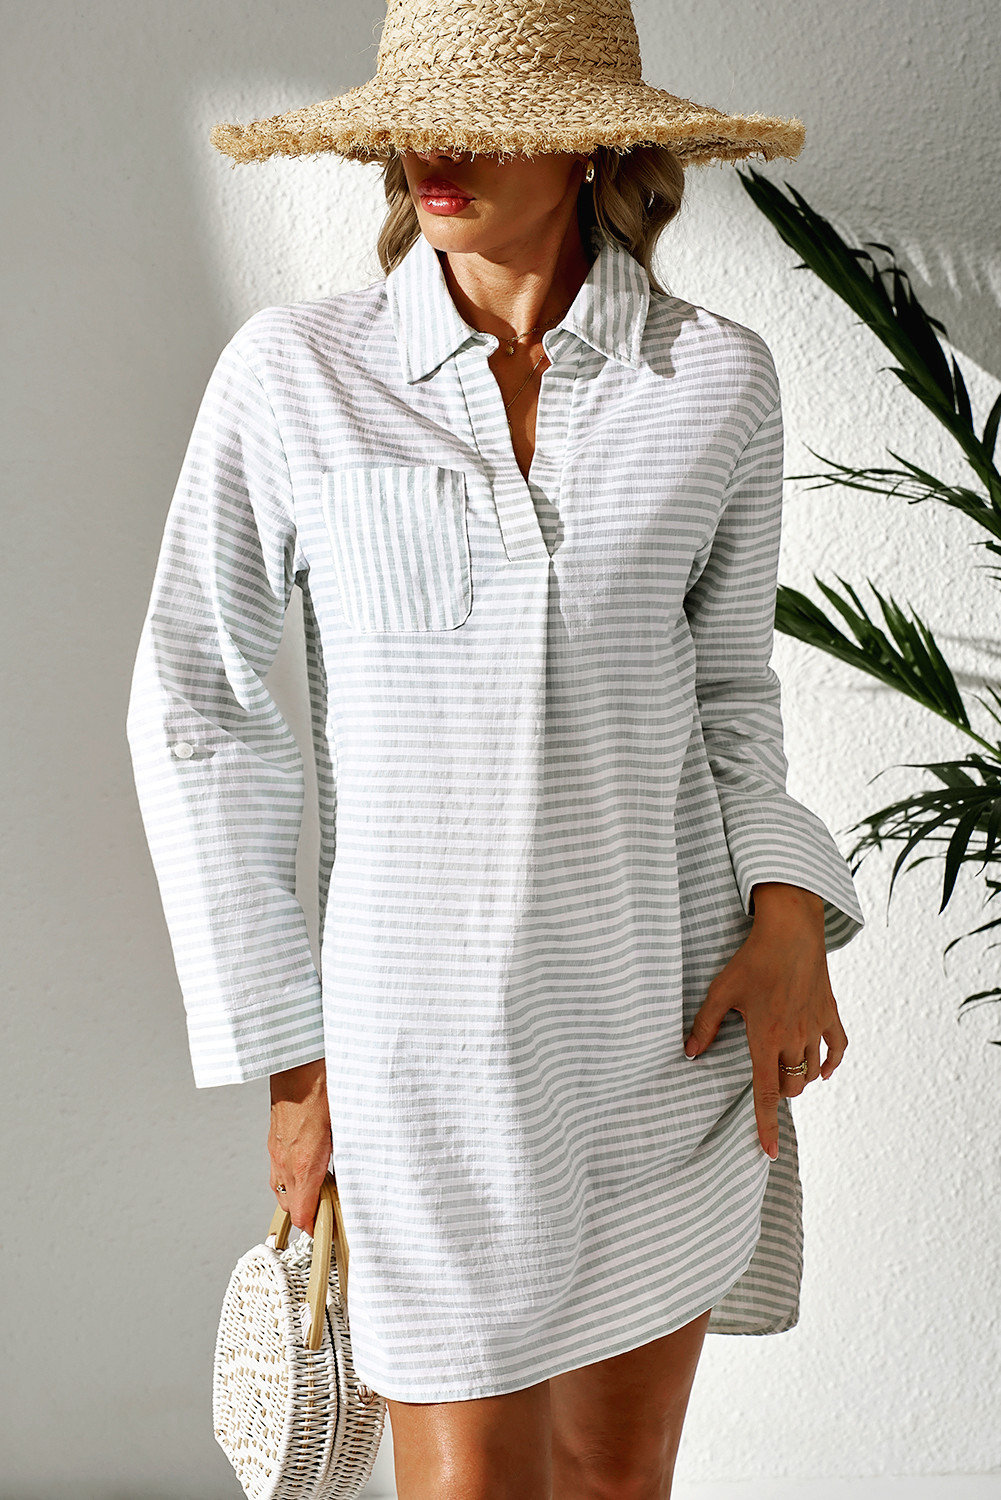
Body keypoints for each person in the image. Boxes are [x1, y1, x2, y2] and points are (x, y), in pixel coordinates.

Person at [126, 1, 866, 1495]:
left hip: (662, 1031)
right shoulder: (295, 375)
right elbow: (196, 705)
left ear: (591, 140)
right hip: (418, 1060)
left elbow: (732, 697)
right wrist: (291, 1060)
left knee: (614, 1481)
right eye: (416, 116)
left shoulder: (714, 379)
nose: (435, 152)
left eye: (489, 116)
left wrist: (792, 911)